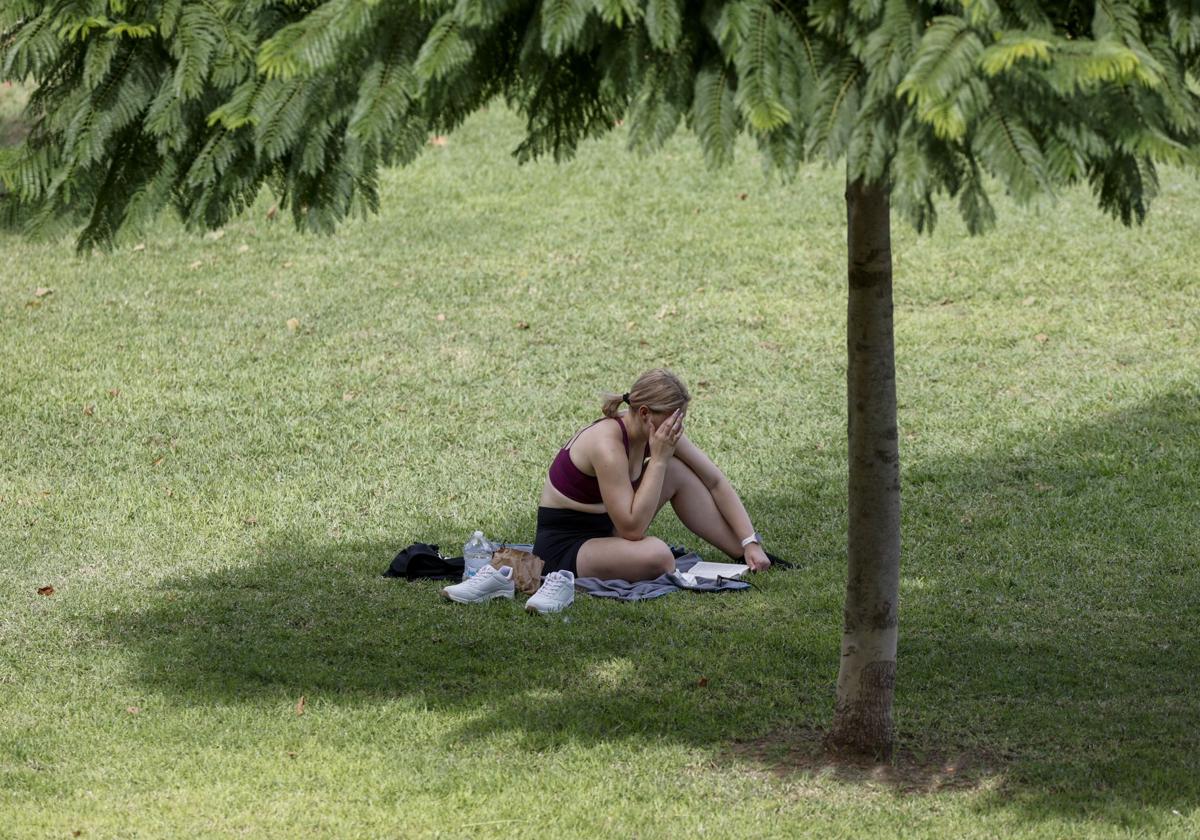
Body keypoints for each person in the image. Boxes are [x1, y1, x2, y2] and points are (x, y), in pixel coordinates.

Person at [534, 369, 773, 582]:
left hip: (609, 530)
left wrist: (749, 541)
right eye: (672, 420)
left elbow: (715, 481)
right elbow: (631, 530)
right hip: (567, 547)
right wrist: (658, 459)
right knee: (658, 555)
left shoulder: (658, 433)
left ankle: (745, 556)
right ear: (645, 413)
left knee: (676, 471)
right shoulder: (607, 444)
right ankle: (745, 555)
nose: (676, 428)